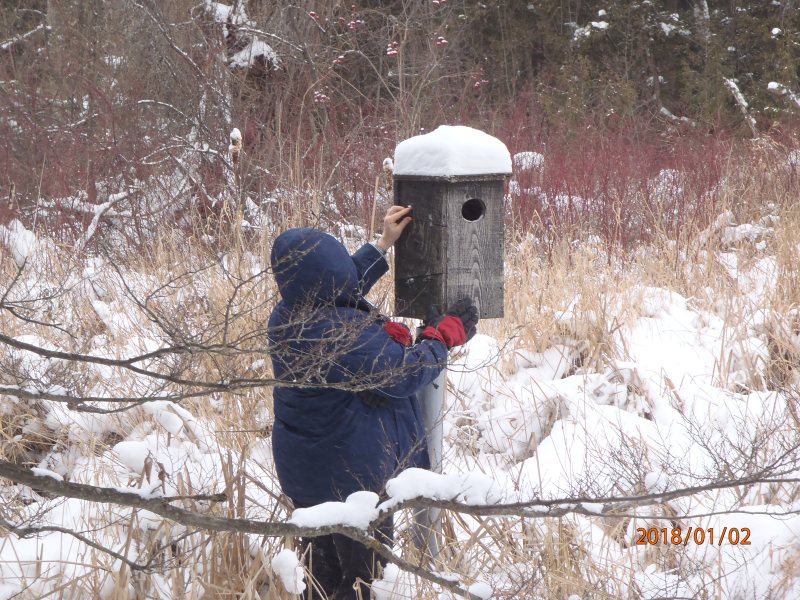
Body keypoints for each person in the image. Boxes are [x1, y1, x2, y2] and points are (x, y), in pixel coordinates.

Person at [268, 205, 478, 600]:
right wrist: (443, 335)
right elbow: (404, 373)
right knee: (366, 578)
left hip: (307, 474)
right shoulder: (336, 334)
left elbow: (337, 289)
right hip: (353, 481)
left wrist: (382, 245)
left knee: (320, 575)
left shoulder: (289, 314)